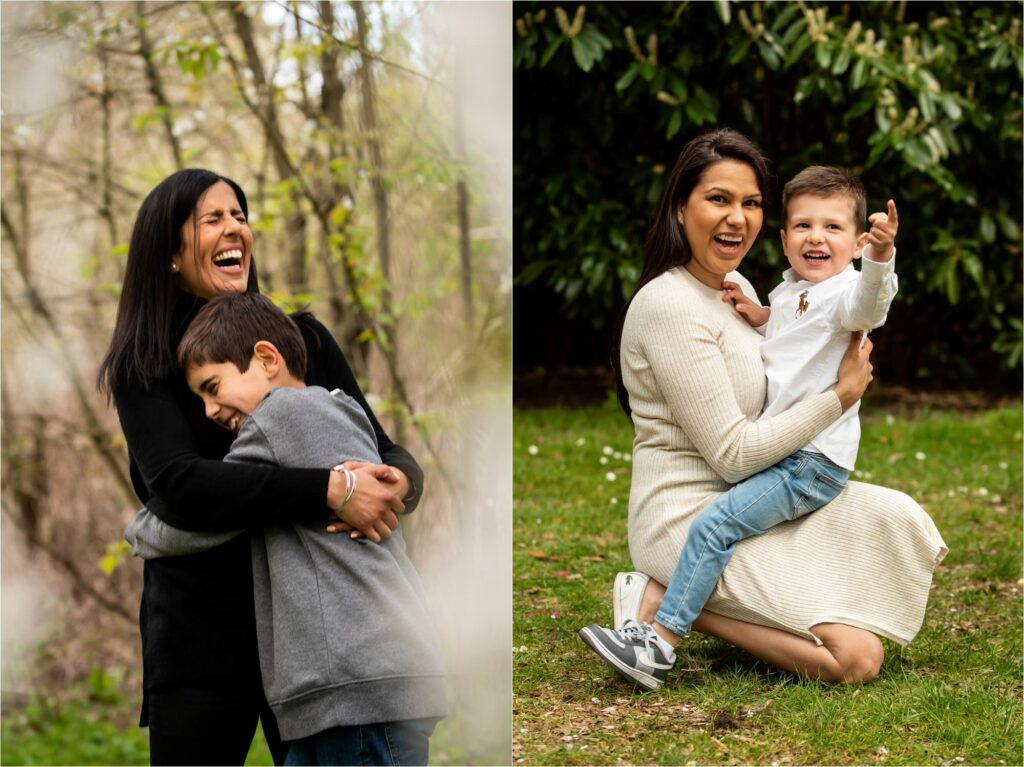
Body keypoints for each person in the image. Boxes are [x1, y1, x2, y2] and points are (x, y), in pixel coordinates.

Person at [584, 129, 946, 688]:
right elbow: (731, 456)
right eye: (718, 199)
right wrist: (839, 398)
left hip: (764, 480)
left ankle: (684, 594)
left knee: (894, 515)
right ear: (681, 209)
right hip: (691, 512)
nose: (736, 218)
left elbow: (822, 320)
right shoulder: (668, 305)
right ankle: (661, 602)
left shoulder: (743, 287)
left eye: (749, 202)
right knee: (854, 657)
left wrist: (875, 258)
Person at [98, 169, 423, 765]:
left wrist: (400, 481)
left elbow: (381, 448)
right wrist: (329, 489)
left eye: (240, 216)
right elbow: (181, 487)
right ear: (170, 252)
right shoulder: (143, 365)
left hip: (313, 637)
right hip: (199, 641)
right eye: (213, 219)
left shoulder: (303, 341)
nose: (234, 230)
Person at [124, 292, 447, 765]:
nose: (210, 411)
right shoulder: (339, 407)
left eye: (212, 387)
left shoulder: (278, 418)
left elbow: (204, 511)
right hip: (358, 684)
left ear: (267, 358)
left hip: (358, 687)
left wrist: (139, 531)